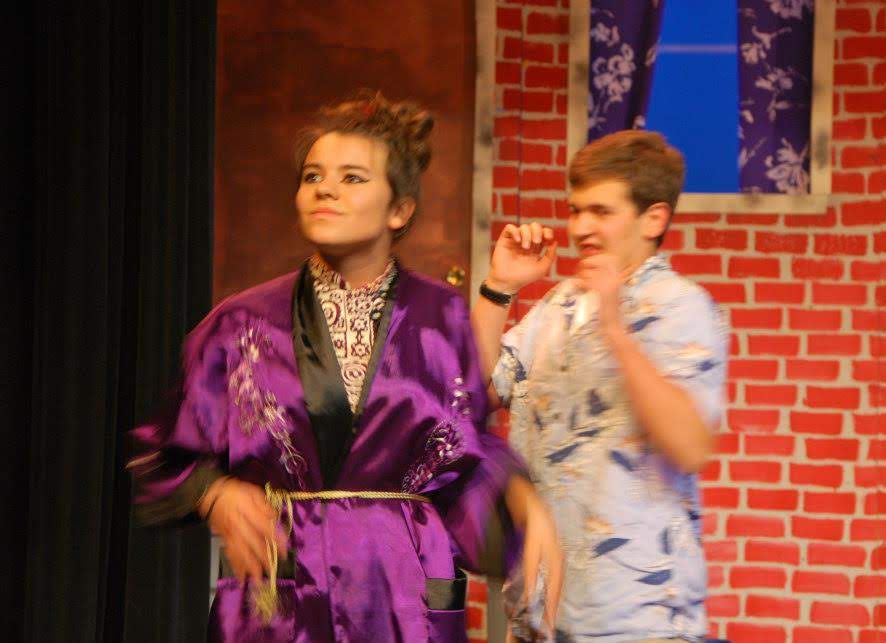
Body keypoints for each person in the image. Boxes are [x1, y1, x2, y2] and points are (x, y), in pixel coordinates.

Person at [127, 91, 562, 642]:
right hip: (284, 596)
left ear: (399, 210)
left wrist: (524, 500)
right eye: (313, 176)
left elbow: (469, 447)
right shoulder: (240, 323)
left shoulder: (441, 317)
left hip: (402, 598)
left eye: (352, 177)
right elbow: (167, 452)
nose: (325, 189)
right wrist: (217, 493)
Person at [471, 130, 728, 642]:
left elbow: (691, 446)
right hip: (541, 611)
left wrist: (614, 326)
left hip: (637, 620)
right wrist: (499, 288)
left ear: (653, 219)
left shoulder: (683, 306)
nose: (580, 227)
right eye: (576, 210)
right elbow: (474, 395)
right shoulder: (559, 304)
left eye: (601, 212)